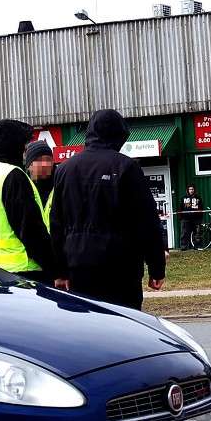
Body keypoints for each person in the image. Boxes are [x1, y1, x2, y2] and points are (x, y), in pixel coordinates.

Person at [50, 109, 166, 310]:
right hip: (121, 267)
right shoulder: (127, 167)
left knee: (88, 327)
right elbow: (146, 222)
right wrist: (157, 268)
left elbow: (57, 225)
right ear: (119, 135)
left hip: (80, 265)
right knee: (124, 327)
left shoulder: (65, 169)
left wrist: (61, 271)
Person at [0, 119, 58, 285]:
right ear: (12, 145)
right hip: (24, 271)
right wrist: (55, 269)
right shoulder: (12, 175)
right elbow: (31, 230)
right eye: (22, 144)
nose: (25, 150)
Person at [24, 140, 55, 230]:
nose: (45, 164)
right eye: (39, 161)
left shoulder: (61, 182)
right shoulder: (23, 185)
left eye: (48, 160)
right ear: (29, 166)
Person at [179, 184, 204, 250]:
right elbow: (181, 209)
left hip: (196, 219)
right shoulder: (183, 198)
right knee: (184, 233)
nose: (191, 191)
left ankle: (196, 246)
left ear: (194, 190)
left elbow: (201, 208)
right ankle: (183, 247)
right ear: (188, 190)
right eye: (190, 189)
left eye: (192, 189)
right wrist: (183, 217)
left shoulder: (198, 198)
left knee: (197, 234)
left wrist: (200, 218)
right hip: (186, 219)